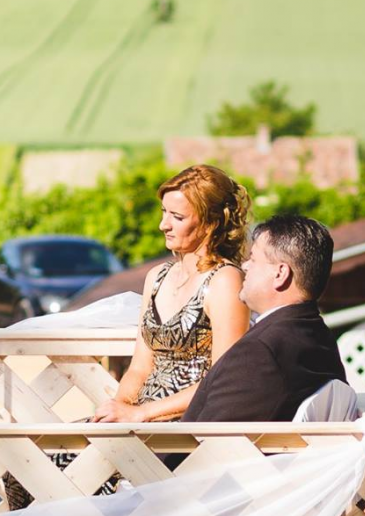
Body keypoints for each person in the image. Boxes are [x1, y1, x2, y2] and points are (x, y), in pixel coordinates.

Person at [89, 164, 251, 424]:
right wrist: (117, 410)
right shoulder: (157, 277)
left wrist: (141, 414)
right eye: (164, 212)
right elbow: (140, 367)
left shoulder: (225, 281)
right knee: (56, 450)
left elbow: (221, 380)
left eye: (177, 216)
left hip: (187, 425)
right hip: (140, 418)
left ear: (210, 223)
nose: (163, 225)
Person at [181, 212, 347, 423]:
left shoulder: (259, 353)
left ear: (280, 274)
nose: (244, 266)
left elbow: (202, 438)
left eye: (253, 258)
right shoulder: (318, 335)